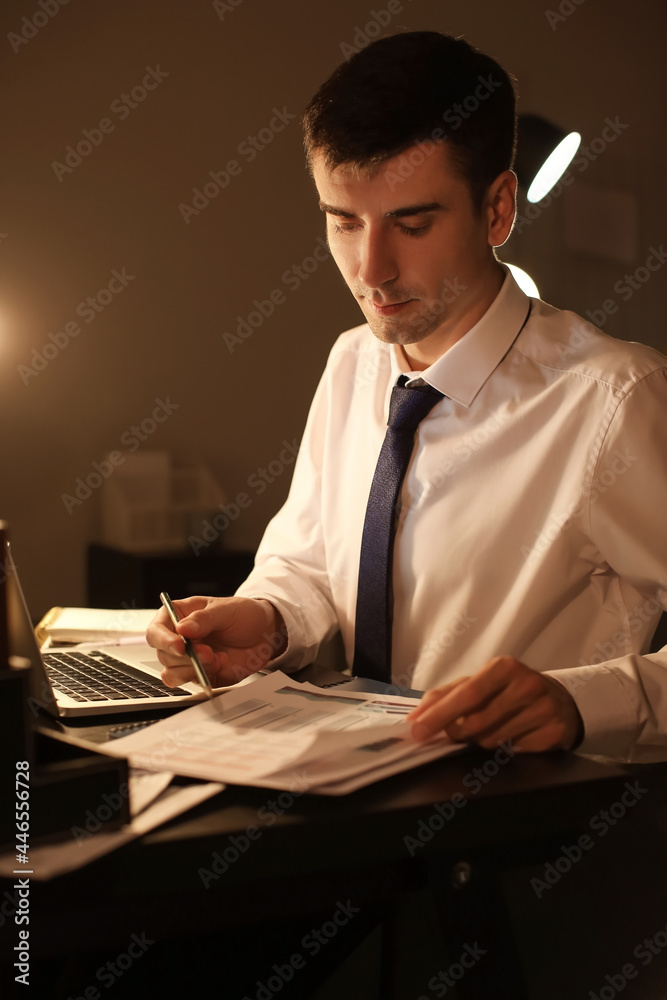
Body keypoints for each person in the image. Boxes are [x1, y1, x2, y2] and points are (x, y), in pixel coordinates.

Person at [147, 31, 667, 763]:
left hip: (522, 839)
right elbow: (312, 565)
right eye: (343, 222)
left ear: (497, 210)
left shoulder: (613, 401)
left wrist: (581, 701)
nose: (372, 270)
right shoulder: (352, 362)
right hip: (353, 811)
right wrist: (267, 619)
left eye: (411, 224)